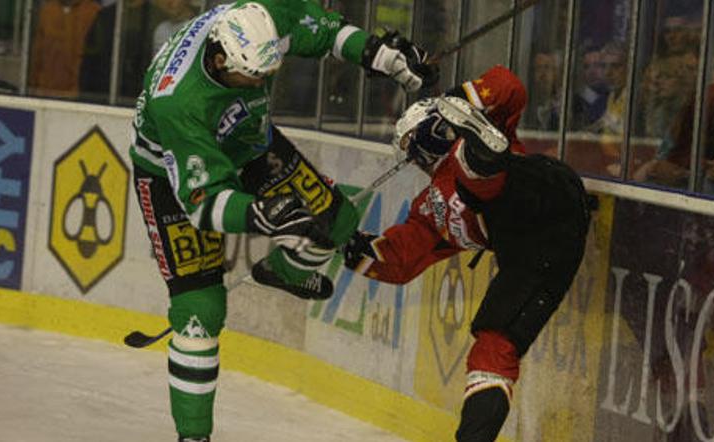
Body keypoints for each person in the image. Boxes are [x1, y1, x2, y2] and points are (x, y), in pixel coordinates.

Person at [129, 1, 437, 441]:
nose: (263, 83)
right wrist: (261, 216)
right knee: (201, 311)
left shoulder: (262, 17)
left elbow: (325, 33)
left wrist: (381, 55)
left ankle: (285, 271)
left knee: (338, 221)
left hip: (251, 145)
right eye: (253, 76)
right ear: (219, 61)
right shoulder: (178, 103)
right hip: (167, 175)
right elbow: (202, 203)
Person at [342, 65, 592, 442]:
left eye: (411, 147)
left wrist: (458, 100)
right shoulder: (428, 208)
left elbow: (510, 86)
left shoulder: (474, 142)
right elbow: (399, 262)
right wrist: (344, 242)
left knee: (482, 177)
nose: (413, 158)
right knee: (493, 345)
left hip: (543, 191)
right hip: (535, 254)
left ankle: (482, 160)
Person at [28, 0, 101, 98]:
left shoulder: (94, 12)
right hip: (44, 93)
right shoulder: (47, 11)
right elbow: (37, 56)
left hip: (77, 98)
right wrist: (33, 89)